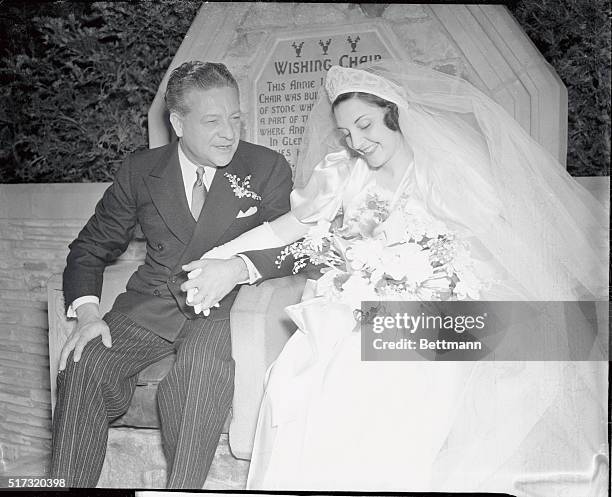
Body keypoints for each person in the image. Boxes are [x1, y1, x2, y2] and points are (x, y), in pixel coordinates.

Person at [190, 62, 609, 494]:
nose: (358, 141)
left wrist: (429, 288)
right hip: (357, 311)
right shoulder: (344, 174)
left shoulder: (444, 173)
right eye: (347, 132)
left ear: (395, 112)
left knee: (385, 371)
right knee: (308, 369)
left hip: (440, 312)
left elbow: (488, 254)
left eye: (365, 124)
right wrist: (216, 257)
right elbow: (286, 228)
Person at [51, 61, 293, 488]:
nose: (229, 133)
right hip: (152, 303)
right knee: (82, 361)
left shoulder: (267, 166)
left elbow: (296, 251)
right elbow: (89, 247)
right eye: (213, 121)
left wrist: (238, 269)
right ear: (179, 123)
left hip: (225, 307)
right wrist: (88, 315)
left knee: (198, 374)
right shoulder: (140, 170)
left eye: (235, 118)